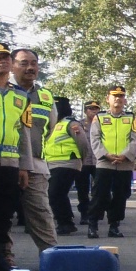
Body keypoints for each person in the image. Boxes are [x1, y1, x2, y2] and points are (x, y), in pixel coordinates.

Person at [0, 45, 36, 271]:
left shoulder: (20, 95)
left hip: (8, 164)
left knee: (3, 213)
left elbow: (24, 134)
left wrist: (24, 166)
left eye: (5, 58)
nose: (1, 61)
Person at [10, 50, 55, 255]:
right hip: (3, 161)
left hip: (36, 164)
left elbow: (49, 128)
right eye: (23, 63)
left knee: (41, 213)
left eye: (34, 63)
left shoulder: (45, 96)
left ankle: (51, 257)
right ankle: (3, 256)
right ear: (12, 65)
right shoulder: (0, 89)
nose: (30, 67)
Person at [88, 86, 136, 238]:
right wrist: (105, 155)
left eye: (121, 96)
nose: (118, 98)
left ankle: (114, 225)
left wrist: (125, 155)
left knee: (120, 196)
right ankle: (93, 224)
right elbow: (94, 138)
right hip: (105, 162)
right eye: (114, 96)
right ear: (107, 99)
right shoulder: (100, 117)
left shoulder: (131, 117)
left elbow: (135, 139)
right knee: (99, 195)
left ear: (125, 100)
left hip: (124, 164)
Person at [41, 97, 83, 238]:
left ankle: (65, 223)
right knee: (57, 194)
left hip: (68, 164)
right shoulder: (50, 125)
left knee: (55, 193)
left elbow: (83, 145)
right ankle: (66, 221)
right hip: (50, 164)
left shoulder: (71, 124)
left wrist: (79, 161)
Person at [76, 100, 97, 227]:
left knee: (98, 190)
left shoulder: (103, 123)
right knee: (82, 190)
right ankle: (84, 213)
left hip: (97, 161)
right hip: (83, 162)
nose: (94, 111)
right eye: (91, 109)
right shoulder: (78, 124)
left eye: (96, 109)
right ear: (85, 111)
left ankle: (95, 212)